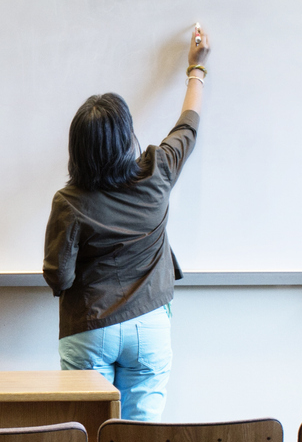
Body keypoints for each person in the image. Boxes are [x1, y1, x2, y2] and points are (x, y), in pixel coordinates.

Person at [42, 25, 209, 421]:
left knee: (91, 437)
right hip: (150, 326)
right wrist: (195, 70)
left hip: (89, 327)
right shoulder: (158, 171)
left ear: (77, 149)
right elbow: (188, 126)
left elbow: (59, 278)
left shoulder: (69, 202)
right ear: (126, 138)